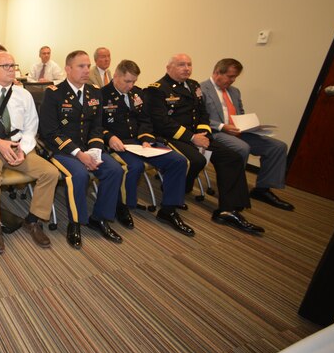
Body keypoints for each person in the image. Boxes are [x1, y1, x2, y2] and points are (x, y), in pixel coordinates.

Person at [145, 54, 264, 233]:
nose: (186, 68)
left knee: (231, 157)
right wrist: (193, 138)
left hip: (196, 135)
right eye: (181, 65)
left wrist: (203, 132)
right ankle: (169, 208)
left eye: (189, 64)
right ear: (168, 67)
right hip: (171, 136)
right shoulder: (157, 89)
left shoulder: (194, 86)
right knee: (195, 160)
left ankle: (228, 210)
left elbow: (202, 113)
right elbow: (162, 123)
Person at [0, 52, 59, 252]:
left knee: (51, 173)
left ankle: (33, 220)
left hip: (19, 147)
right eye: (6, 65)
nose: (11, 69)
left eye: (13, 65)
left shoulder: (23, 94)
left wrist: (24, 150)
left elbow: (31, 126)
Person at [39, 50, 125, 248]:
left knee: (114, 170)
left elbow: (97, 126)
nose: (86, 70)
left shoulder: (94, 92)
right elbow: (50, 131)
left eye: (88, 66)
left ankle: (100, 218)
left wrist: (94, 150)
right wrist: (79, 154)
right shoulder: (54, 93)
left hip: (88, 147)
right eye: (81, 66)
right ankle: (75, 222)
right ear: (68, 69)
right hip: (62, 150)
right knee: (80, 175)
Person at [101, 60, 195, 236]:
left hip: (140, 142)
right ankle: (123, 207)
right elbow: (96, 125)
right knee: (134, 167)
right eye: (127, 81)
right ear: (116, 76)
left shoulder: (137, 94)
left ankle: (168, 210)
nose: (131, 85)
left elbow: (145, 120)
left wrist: (145, 138)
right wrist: (109, 137)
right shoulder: (101, 95)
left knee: (178, 161)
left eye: (134, 81)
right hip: (119, 143)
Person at [200, 58, 293, 210]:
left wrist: (249, 125)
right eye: (230, 76)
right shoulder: (201, 89)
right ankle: (233, 191)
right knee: (242, 148)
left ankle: (262, 189)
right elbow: (198, 117)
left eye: (235, 77)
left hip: (238, 131)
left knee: (277, 147)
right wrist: (223, 126)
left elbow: (239, 113)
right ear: (217, 72)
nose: (233, 80)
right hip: (216, 132)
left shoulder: (234, 92)